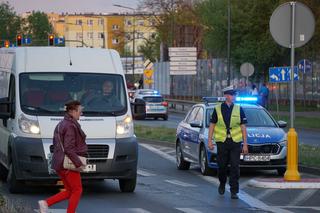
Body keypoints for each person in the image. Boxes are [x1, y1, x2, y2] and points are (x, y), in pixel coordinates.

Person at [38, 100, 87, 213]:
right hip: (68, 163)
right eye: (80, 111)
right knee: (77, 190)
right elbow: (69, 148)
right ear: (73, 111)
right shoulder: (70, 126)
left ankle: (45, 203)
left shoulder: (61, 124)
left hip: (59, 162)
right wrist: (78, 163)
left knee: (70, 191)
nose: (81, 113)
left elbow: (56, 144)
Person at [208, 85, 248, 199]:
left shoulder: (239, 108)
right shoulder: (217, 109)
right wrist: (210, 141)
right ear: (226, 96)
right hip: (222, 142)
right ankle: (222, 183)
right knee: (222, 166)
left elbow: (243, 127)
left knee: (235, 166)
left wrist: (245, 144)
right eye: (231, 94)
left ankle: (234, 190)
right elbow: (212, 125)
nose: (233, 96)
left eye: (234, 94)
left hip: (235, 142)